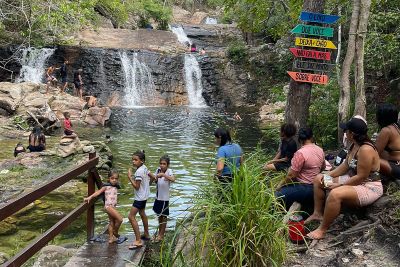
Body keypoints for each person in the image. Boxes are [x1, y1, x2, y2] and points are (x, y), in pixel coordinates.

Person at [306, 117, 382, 240]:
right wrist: (328, 175)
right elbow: (346, 165)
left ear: (352, 134)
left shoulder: (365, 149)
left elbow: (361, 177)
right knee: (319, 178)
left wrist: (340, 185)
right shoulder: (354, 145)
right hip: (353, 179)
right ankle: (317, 213)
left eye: (346, 131)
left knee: (335, 194)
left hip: (369, 186)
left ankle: (322, 230)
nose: (345, 133)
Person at [275, 127, 325, 210]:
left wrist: (280, 185)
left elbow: (291, 176)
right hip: (317, 186)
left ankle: (285, 212)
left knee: (276, 195)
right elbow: (323, 167)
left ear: (300, 140)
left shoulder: (300, 153)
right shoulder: (320, 150)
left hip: (305, 187)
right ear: (312, 137)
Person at [84, 169, 126, 244]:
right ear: (108, 179)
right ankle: (115, 233)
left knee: (111, 222)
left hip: (113, 207)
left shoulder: (116, 186)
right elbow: (98, 192)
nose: (114, 180)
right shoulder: (106, 186)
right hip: (108, 206)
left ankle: (111, 238)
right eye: (112, 178)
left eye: (116, 179)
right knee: (120, 219)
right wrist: (89, 197)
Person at [127, 150, 155, 249]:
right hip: (145, 196)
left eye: (135, 160)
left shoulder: (138, 172)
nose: (133, 162)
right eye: (133, 160)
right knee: (142, 213)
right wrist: (147, 186)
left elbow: (137, 187)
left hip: (139, 198)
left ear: (141, 161)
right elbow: (153, 177)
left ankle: (138, 240)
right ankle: (146, 234)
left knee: (131, 216)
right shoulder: (144, 168)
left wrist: (130, 177)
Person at [152, 155, 176, 242]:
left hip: (165, 198)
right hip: (158, 197)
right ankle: (160, 232)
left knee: (164, 216)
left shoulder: (169, 171)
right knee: (159, 215)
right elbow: (154, 180)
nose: (162, 165)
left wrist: (163, 175)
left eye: (164, 164)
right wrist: (153, 178)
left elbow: (173, 179)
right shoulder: (157, 170)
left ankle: (161, 235)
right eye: (161, 164)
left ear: (167, 165)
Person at [374, 103, 400, 181]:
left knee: (367, 158)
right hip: (396, 164)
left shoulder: (386, 130)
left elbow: (375, 152)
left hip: (396, 167)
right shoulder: (396, 128)